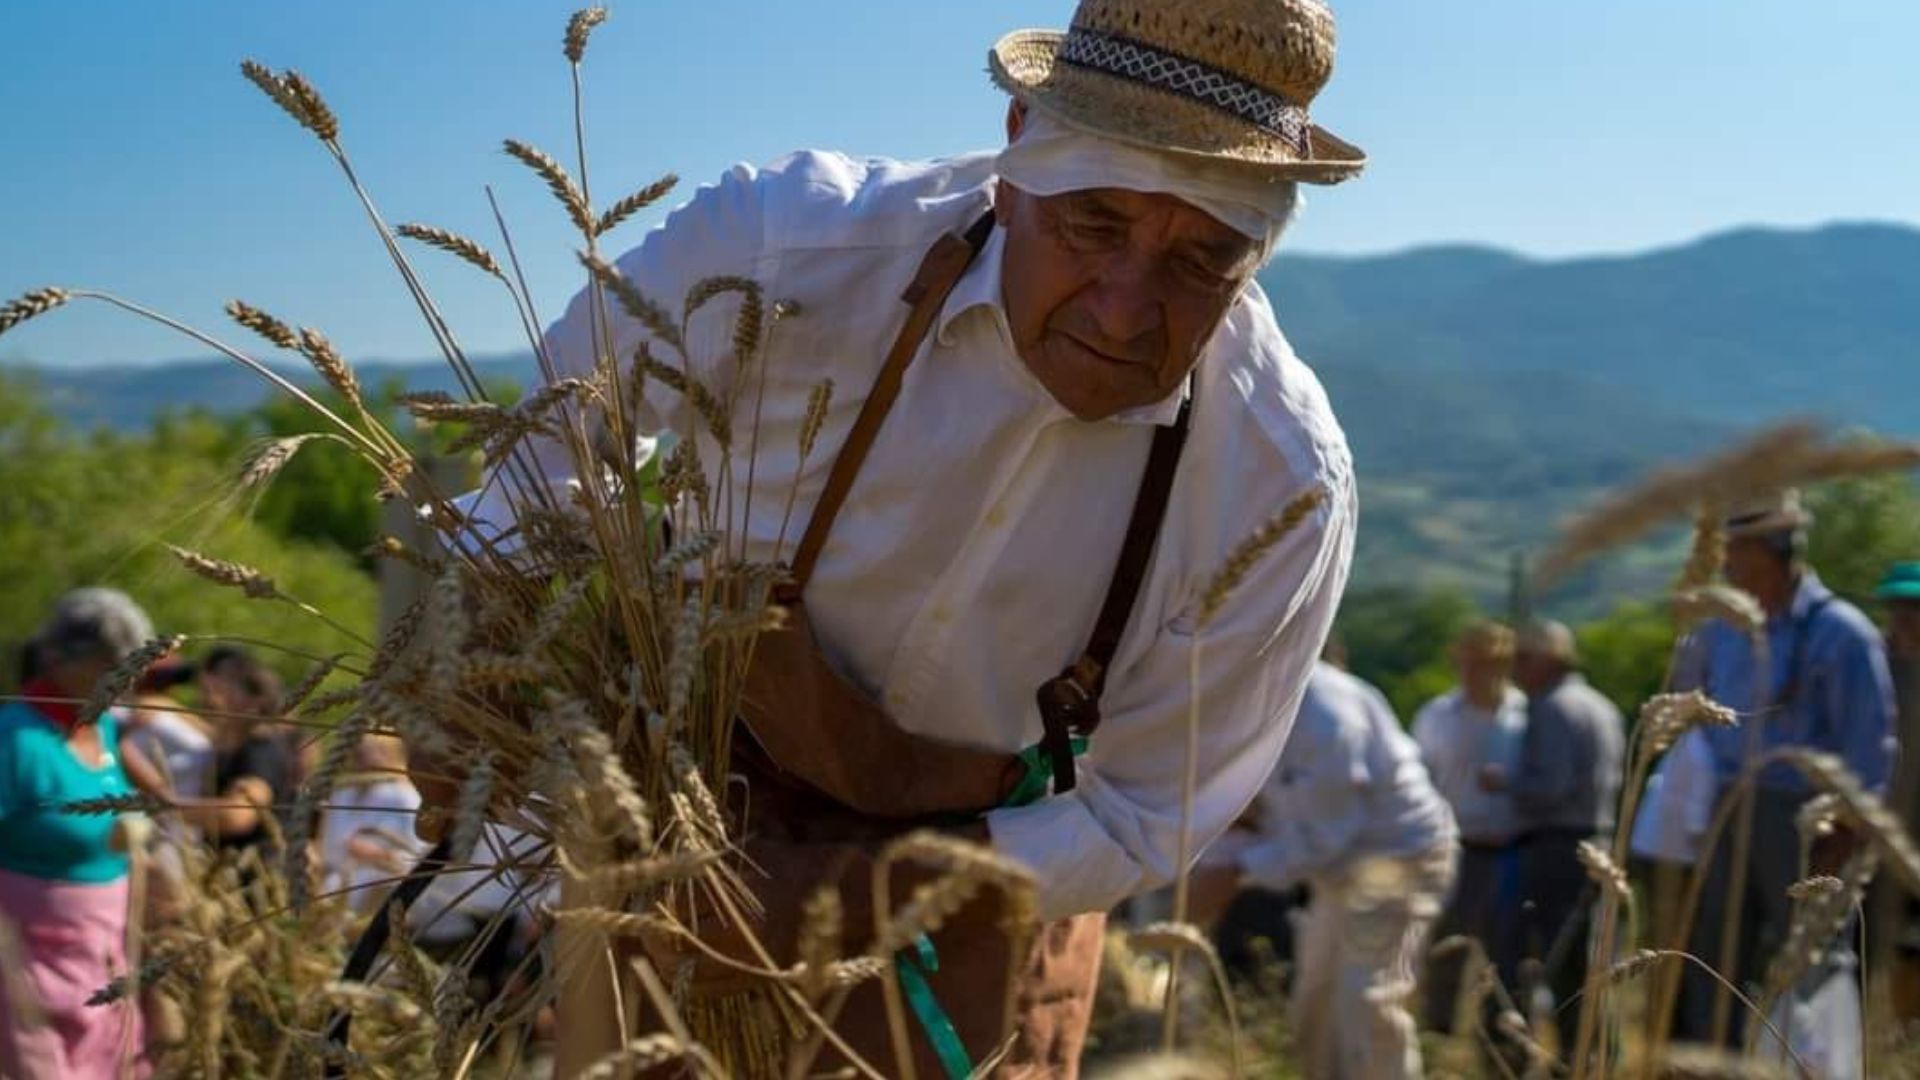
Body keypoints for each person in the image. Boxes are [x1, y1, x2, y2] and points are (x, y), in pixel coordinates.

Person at [456, 0, 1364, 1073]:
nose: (1123, 311)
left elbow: (1143, 815)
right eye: (1096, 228)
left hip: (987, 908)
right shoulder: (785, 248)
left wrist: (848, 895)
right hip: (681, 835)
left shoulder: (1280, 486)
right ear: (1019, 149)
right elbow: (553, 434)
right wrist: (488, 641)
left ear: (1257, 255)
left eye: (1198, 262)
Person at [1671, 491, 1897, 1075]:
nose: (1725, 563)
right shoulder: (1721, 632)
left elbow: (1868, 743)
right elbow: (1685, 695)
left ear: (1770, 551)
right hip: (1729, 806)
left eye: (1735, 550)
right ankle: (1716, 1064)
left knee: (1814, 959)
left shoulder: (1841, 633)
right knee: (1716, 955)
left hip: (1807, 814)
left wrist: (1845, 829)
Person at [1213, 656, 1457, 1079]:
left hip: (1398, 861)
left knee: (1365, 1003)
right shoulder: (1257, 702)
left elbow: (1326, 834)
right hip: (1340, 872)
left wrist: (1233, 873)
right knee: (1316, 1006)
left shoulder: (1326, 714)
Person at [0, 589, 151, 1078]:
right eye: (108, 666)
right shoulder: (15, 738)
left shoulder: (104, 728)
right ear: (58, 658)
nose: (122, 681)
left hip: (106, 958)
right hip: (27, 968)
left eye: (129, 666)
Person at [1506, 619, 1625, 1058]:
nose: (1515, 669)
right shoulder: (1600, 704)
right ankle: (1602, 1058)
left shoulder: (1550, 707)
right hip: (1600, 842)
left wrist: (1507, 786)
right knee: (1592, 963)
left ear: (1550, 660)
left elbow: (1550, 787)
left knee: (1562, 966)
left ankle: (1576, 1060)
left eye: (1523, 658)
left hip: (1561, 848)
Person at [1412, 620, 1527, 1035]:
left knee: (1508, 955)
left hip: (1512, 851)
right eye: (1467, 661)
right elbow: (1416, 780)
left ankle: (1500, 1043)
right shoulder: (1436, 715)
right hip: (1452, 849)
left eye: (1485, 662)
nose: (1473, 671)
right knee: (1444, 952)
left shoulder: (1526, 717)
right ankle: (1436, 1037)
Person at [176, 647, 294, 860]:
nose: (213, 690)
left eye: (227, 684)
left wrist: (168, 809)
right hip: (223, 875)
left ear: (253, 701)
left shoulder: (260, 750)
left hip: (255, 880)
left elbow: (237, 816)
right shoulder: (227, 745)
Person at [317, 734, 422, 911]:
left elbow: (421, 853)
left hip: (386, 888)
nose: (365, 757)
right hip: (338, 887)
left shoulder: (405, 797)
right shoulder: (342, 795)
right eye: (359, 751)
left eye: (376, 750)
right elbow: (328, 851)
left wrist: (382, 855)